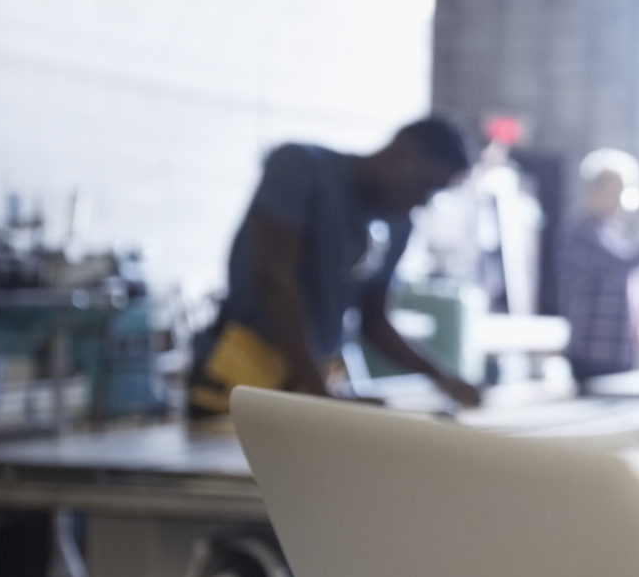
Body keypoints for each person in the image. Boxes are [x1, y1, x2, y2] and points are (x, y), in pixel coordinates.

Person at [190, 117, 482, 414]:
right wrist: (322, 396)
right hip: (245, 375)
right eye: (426, 186)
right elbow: (275, 284)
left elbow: (375, 322)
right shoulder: (299, 167)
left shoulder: (399, 224)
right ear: (402, 154)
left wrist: (442, 378)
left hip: (313, 381)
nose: (423, 201)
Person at [556, 148, 639, 385]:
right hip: (593, 354)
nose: (618, 200)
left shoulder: (612, 232)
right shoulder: (584, 230)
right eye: (612, 191)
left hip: (617, 352)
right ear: (595, 190)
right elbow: (626, 260)